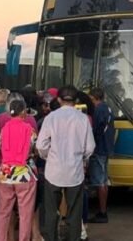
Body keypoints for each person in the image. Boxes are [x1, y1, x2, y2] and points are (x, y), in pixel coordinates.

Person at [37, 85, 95, 241]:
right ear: (76, 101)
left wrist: (49, 157)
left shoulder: (51, 118)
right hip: (75, 172)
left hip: (53, 171)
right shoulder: (82, 119)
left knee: (51, 212)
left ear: (59, 99)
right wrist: (82, 159)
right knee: (74, 213)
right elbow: (90, 147)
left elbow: (41, 145)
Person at [0, 100, 38, 241]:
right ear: (23, 112)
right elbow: (35, 148)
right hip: (23, 172)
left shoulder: (4, 129)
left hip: (6, 172)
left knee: (3, 211)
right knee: (25, 212)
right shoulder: (29, 130)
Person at [88, 88, 115, 224]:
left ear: (93, 98)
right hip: (106, 148)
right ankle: (103, 210)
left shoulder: (98, 110)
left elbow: (96, 131)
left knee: (100, 181)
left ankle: (102, 212)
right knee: (104, 180)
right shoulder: (108, 109)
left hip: (99, 149)